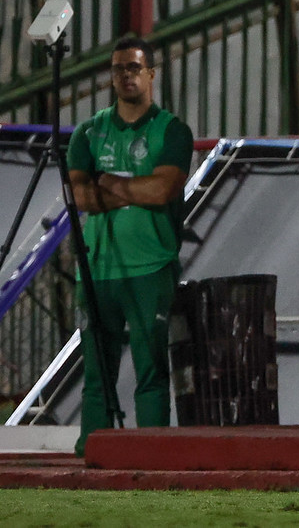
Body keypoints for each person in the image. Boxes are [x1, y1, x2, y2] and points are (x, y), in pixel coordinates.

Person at [67, 36, 193, 456]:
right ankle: (93, 451)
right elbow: (79, 197)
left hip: (150, 267)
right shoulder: (87, 132)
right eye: (118, 68)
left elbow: (163, 190)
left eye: (134, 68)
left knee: (150, 369)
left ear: (151, 74)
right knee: (97, 373)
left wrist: (111, 183)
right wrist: (134, 188)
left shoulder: (172, 130)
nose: (125, 76)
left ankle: (151, 454)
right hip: (96, 269)